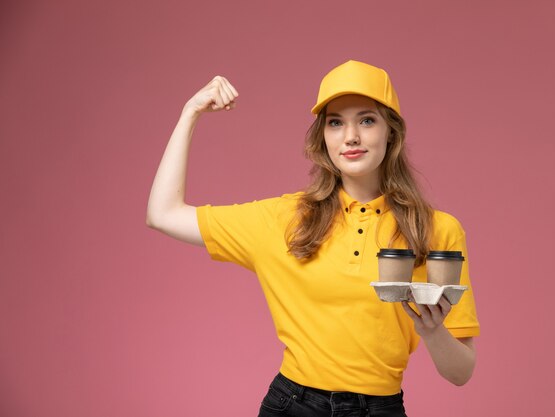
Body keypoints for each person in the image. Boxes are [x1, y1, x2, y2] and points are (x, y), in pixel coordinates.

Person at [146, 60, 480, 417]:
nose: (350, 136)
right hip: (293, 406)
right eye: (335, 123)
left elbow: (460, 373)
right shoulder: (286, 219)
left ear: (391, 132)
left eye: (367, 120)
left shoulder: (437, 230)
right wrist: (190, 113)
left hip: (381, 409)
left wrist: (431, 331)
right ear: (323, 136)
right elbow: (162, 214)